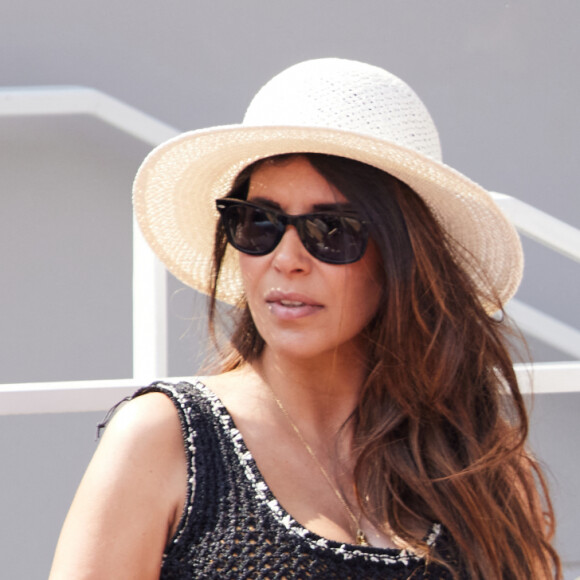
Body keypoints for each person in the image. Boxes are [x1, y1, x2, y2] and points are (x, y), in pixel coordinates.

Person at [49, 58, 560, 579]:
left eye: (330, 229)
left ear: (402, 255)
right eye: (258, 222)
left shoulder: (479, 465)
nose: (286, 257)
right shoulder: (166, 439)